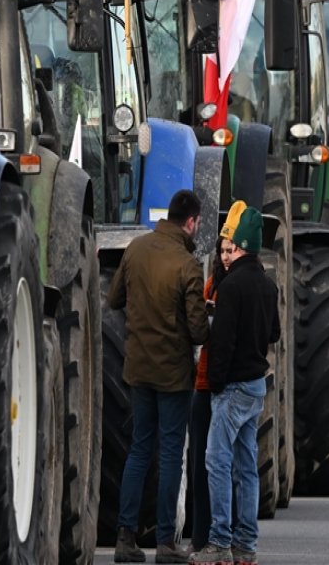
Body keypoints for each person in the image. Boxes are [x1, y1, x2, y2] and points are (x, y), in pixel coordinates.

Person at [108, 190, 210, 564]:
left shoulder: (135, 249)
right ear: (191, 222)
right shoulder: (187, 265)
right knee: (170, 455)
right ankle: (166, 542)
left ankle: (125, 537)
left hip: (138, 369)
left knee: (138, 449)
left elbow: (114, 298)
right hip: (173, 376)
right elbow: (198, 331)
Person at [189, 207, 280, 565]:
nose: (226, 256)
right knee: (246, 467)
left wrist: (214, 382)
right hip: (256, 386)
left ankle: (220, 543)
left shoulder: (230, 286)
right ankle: (246, 544)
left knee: (216, 462)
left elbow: (222, 342)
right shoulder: (268, 285)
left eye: (231, 248)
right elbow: (273, 333)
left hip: (231, 389)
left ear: (240, 245)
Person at [187, 202, 245, 553]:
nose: (225, 256)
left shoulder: (239, 287)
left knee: (226, 464)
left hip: (223, 384)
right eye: (223, 250)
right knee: (201, 464)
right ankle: (201, 534)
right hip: (204, 384)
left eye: (230, 250)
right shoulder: (213, 283)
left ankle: (226, 535)